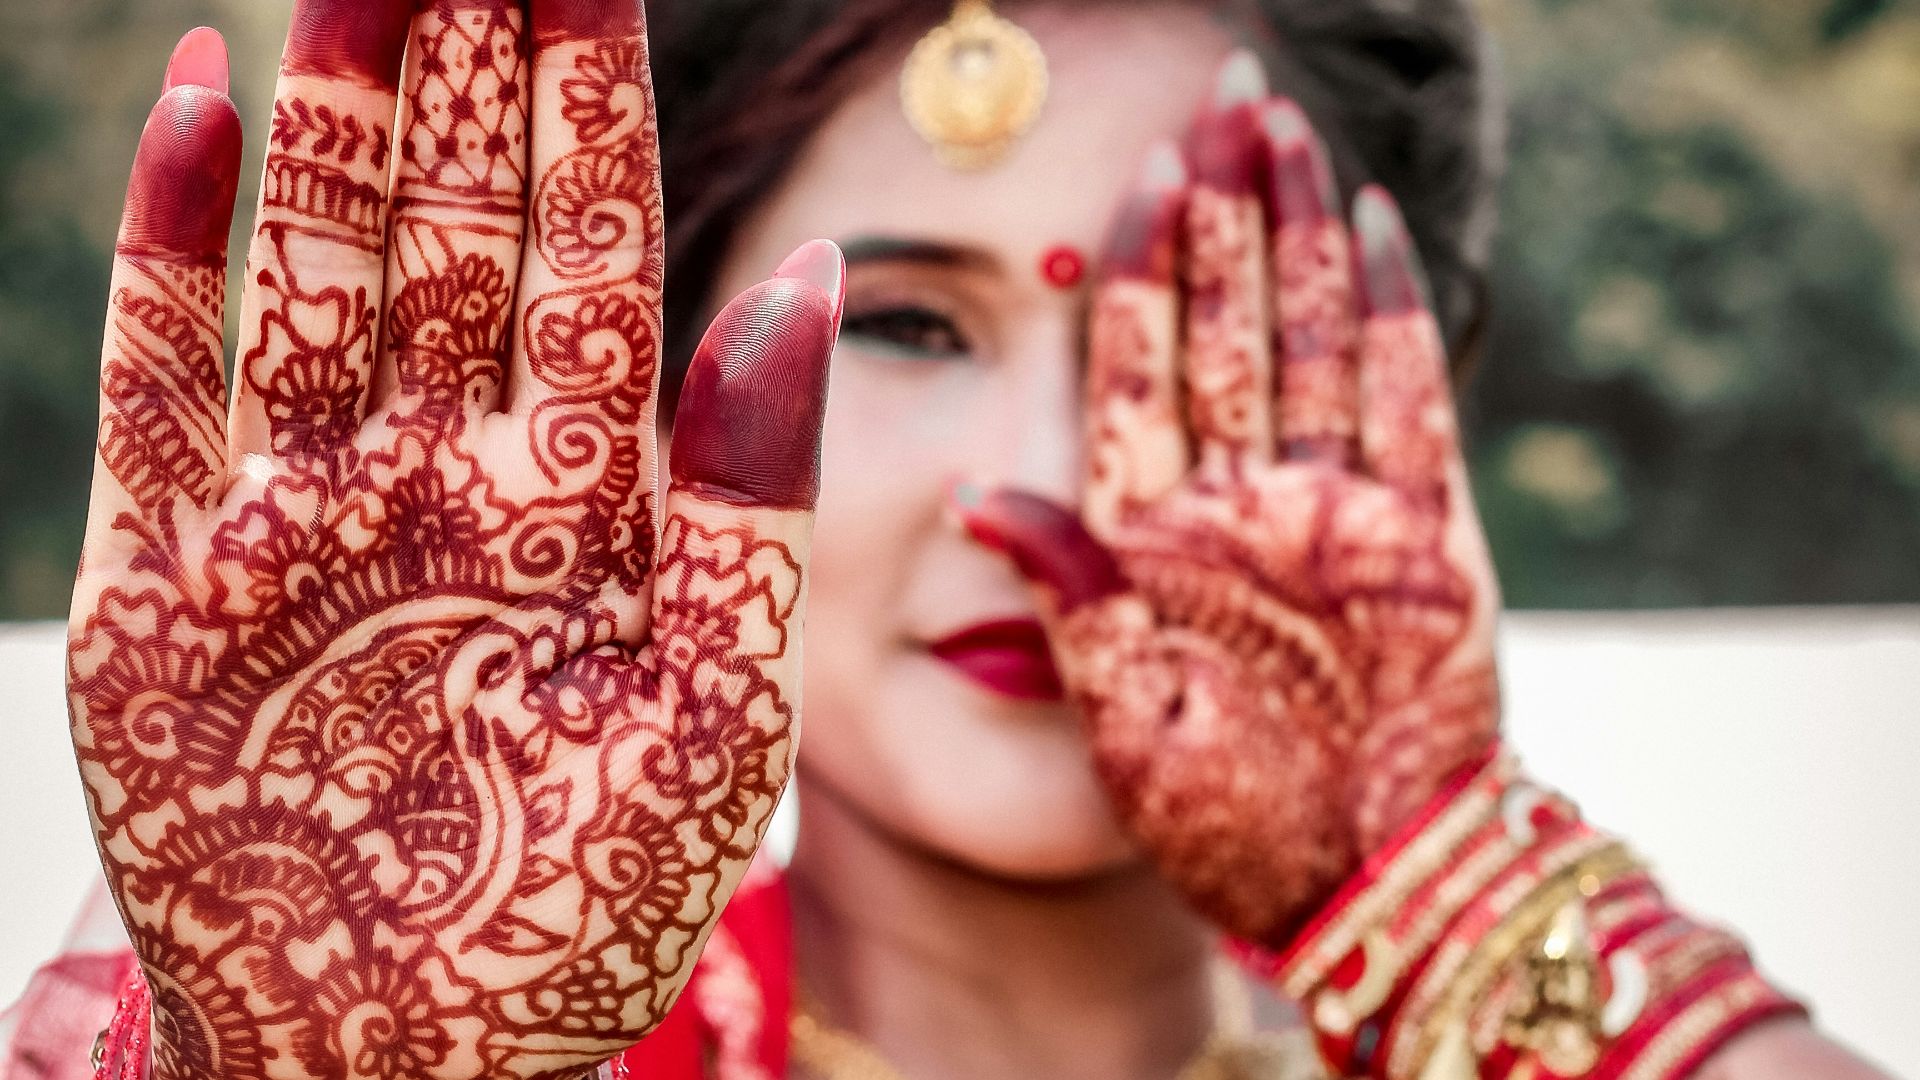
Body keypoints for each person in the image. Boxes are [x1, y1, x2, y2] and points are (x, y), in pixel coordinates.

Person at [4, 1, 1895, 1078]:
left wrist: (1453, 896)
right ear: (625, 396)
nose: (1043, 485)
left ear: (1399, 393)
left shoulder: (1527, 1019)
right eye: (905, 324)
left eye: (1185, 333)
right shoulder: (424, 1008)